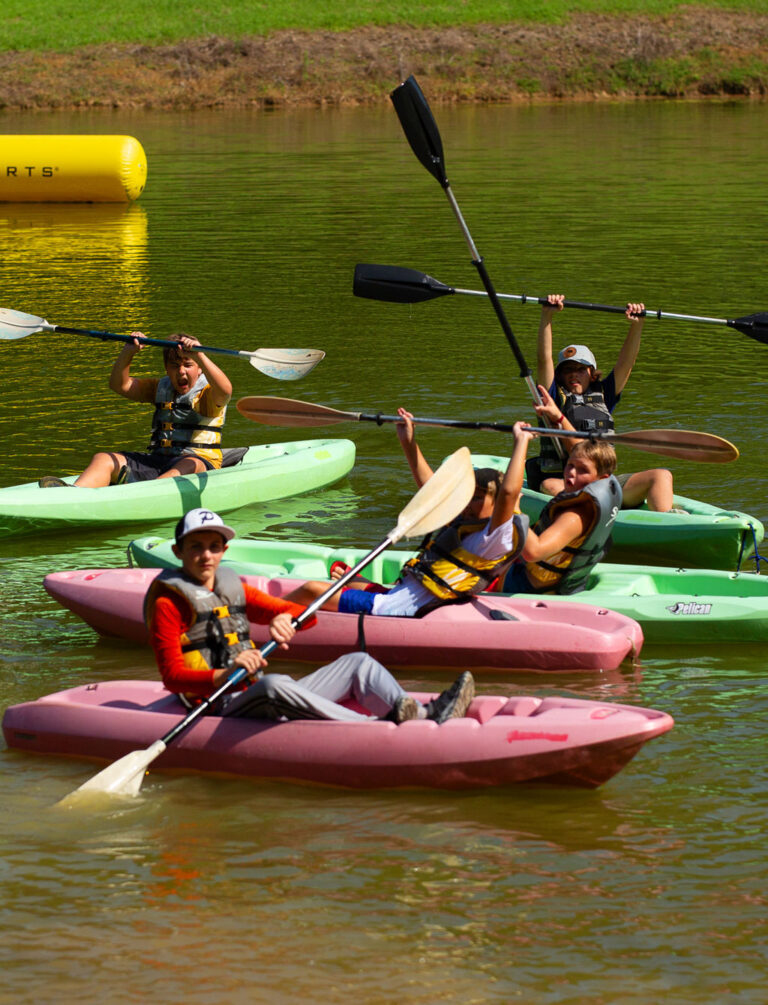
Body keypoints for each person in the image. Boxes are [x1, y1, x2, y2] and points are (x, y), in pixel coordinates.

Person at [144, 507, 475, 725]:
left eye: (214, 546)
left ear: (224, 551)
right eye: (195, 547)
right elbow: (172, 677)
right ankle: (376, 727)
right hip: (215, 705)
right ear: (178, 552)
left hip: (249, 693)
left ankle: (423, 713)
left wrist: (283, 618)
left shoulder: (232, 586)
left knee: (358, 663)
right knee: (274, 684)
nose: (206, 555)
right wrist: (225, 674)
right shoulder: (169, 603)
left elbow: (307, 617)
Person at [286, 408, 530, 617]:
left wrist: (521, 442)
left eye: (477, 497)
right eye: (467, 495)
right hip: (400, 597)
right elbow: (430, 489)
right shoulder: (465, 524)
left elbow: (508, 492)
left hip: (394, 609)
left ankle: (272, 621)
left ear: (497, 505)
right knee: (354, 581)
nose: (467, 502)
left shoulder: (494, 537)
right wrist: (408, 441)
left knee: (312, 590)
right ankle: (354, 587)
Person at [526, 295, 675, 512]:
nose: (573, 375)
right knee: (549, 485)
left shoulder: (605, 394)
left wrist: (637, 326)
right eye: (567, 370)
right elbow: (543, 360)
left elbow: (627, 363)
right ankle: (593, 513)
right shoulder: (553, 398)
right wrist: (546, 316)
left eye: (580, 369)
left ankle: (667, 524)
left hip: (603, 484)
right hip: (567, 482)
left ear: (592, 373)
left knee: (662, 476)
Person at [39, 332, 233, 488]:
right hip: (158, 461)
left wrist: (199, 354)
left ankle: (147, 493)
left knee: (189, 464)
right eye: (174, 366)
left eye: (188, 365)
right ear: (166, 368)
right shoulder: (160, 388)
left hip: (200, 464)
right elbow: (119, 385)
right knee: (104, 459)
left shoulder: (208, 394)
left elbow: (226, 390)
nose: (181, 371)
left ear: (199, 369)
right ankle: (76, 494)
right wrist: (128, 351)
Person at [505, 420, 622, 595]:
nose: (572, 473)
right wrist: (557, 418)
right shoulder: (603, 487)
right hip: (553, 579)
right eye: (570, 465)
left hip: (528, 586)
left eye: (582, 470)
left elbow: (533, 552)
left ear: (601, 477)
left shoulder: (574, 517)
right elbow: (582, 451)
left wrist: (515, 510)